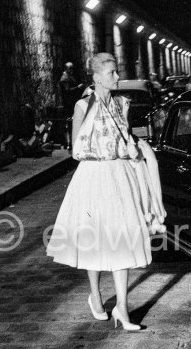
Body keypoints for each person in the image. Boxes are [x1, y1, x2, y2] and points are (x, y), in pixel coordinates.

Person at [47, 53, 165, 331]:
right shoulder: (82, 106)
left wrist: (135, 147)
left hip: (120, 176)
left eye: (116, 72)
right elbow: (75, 150)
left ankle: (122, 309)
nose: (116, 77)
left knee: (122, 239)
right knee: (96, 239)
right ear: (97, 77)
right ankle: (96, 296)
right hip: (93, 176)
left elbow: (127, 138)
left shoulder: (122, 105)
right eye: (111, 73)